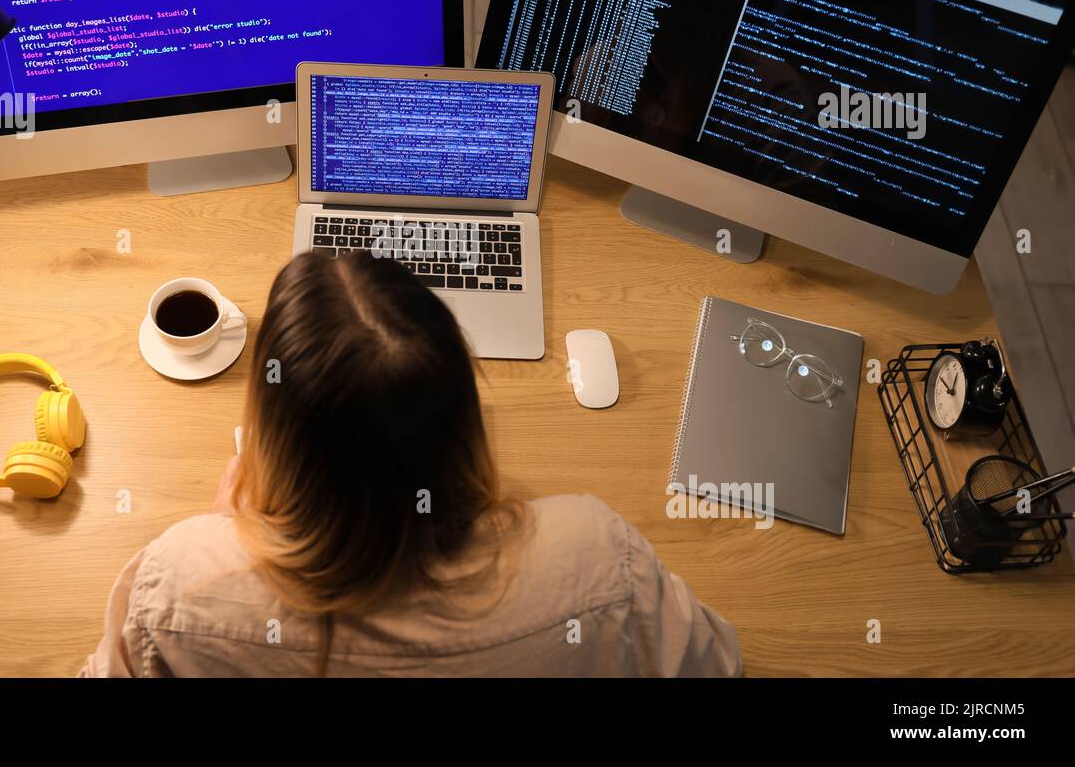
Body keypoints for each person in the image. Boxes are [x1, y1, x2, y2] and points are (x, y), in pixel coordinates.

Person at [81, 252, 741, 677]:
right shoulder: (596, 559)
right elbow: (721, 667)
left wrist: (224, 536)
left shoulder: (175, 587)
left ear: (272, 440)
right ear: (462, 420)